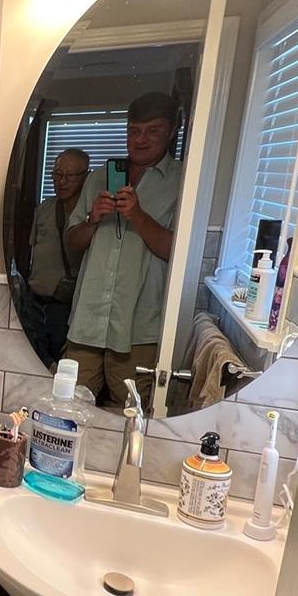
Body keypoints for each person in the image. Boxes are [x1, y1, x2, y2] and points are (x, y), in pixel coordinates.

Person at [63, 91, 182, 404]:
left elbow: (179, 254)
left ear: (171, 131)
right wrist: (92, 219)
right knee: (67, 407)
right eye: (133, 131)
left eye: (152, 131)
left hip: (139, 329)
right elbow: (72, 243)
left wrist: (138, 216)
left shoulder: (182, 182)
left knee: (132, 413)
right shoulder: (99, 178)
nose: (140, 140)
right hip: (87, 322)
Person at [22, 148, 90, 366]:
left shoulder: (89, 216)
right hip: (34, 301)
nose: (62, 181)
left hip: (66, 308)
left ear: (85, 176)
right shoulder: (44, 208)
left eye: (69, 176)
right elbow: (33, 251)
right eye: (57, 174)